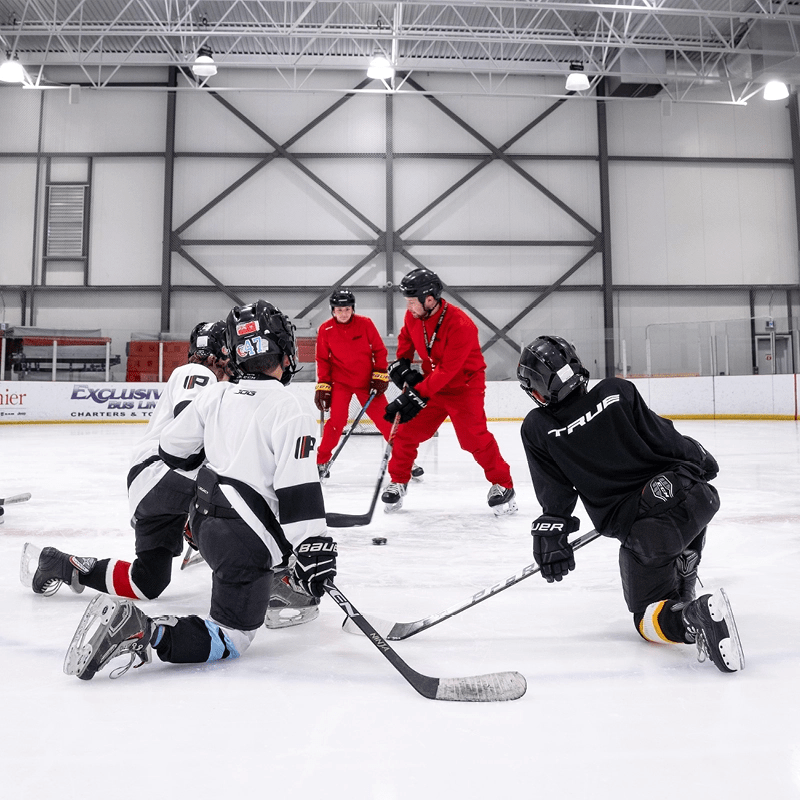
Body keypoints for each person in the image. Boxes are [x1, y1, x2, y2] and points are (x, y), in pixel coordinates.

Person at [63, 300, 337, 680]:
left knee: (260, 547)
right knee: (232, 636)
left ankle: (281, 580)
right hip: (245, 539)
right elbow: (298, 490)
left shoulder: (217, 394)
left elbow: (173, 450)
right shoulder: (292, 407)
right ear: (285, 349)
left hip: (204, 526)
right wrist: (313, 547)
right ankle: (144, 630)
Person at [516, 335, 744, 673]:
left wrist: (552, 532)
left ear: (536, 389)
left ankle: (690, 618)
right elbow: (665, 438)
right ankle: (685, 569)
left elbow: (556, 493)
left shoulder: (539, 427)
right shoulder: (615, 390)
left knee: (645, 617)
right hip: (696, 499)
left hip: (649, 532)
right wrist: (698, 455)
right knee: (679, 519)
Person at [21, 320, 231, 601]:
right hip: (163, 473)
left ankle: (61, 564)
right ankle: (274, 570)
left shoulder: (202, 378)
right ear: (219, 351)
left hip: (152, 486)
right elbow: (190, 430)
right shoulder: (197, 371)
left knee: (147, 582)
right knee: (242, 482)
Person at [380, 268, 517, 515]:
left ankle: (503, 484)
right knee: (405, 431)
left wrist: (416, 393)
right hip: (433, 384)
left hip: (464, 386)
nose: (409, 307)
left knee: (473, 438)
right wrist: (402, 363)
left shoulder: (460, 324)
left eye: (412, 302)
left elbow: (449, 371)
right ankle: (399, 480)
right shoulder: (414, 316)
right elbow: (406, 339)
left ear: (429, 299)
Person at [315, 288, 394, 477]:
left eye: (347, 309)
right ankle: (321, 460)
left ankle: (405, 459)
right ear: (332, 310)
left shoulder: (365, 324)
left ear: (352, 309)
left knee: (386, 421)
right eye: (339, 310)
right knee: (336, 422)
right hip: (341, 383)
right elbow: (322, 360)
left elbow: (379, 351)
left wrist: (379, 373)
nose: (343, 313)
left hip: (367, 382)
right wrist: (323, 386)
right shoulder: (325, 329)